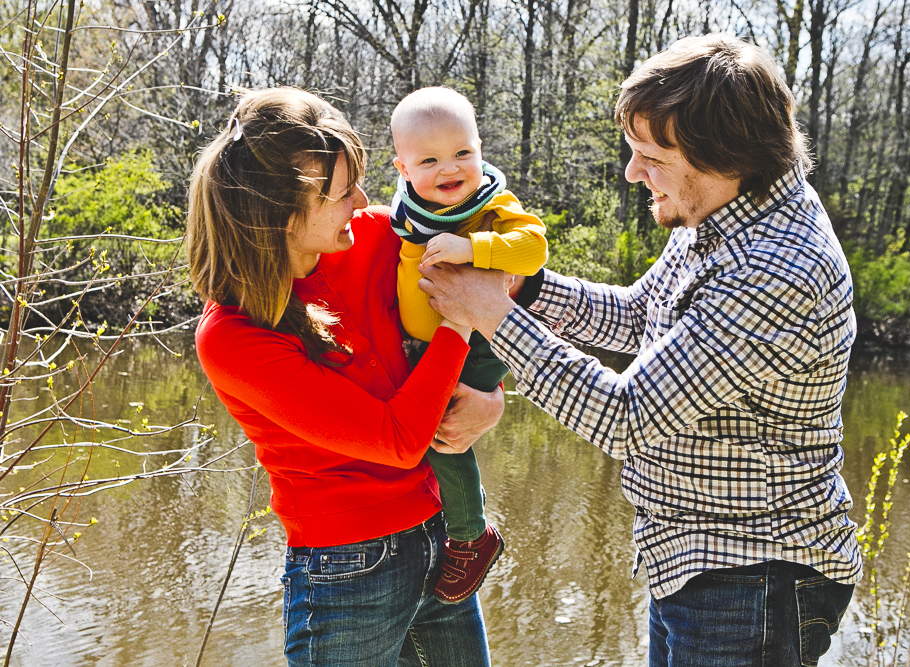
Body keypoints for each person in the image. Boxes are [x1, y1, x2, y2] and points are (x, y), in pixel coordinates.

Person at [419, 34, 861, 666]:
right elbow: (638, 316)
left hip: (754, 577)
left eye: (649, 155)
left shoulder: (778, 266)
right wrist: (527, 286)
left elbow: (629, 417)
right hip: (703, 564)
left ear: (721, 156)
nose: (632, 172)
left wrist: (490, 313)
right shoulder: (724, 211)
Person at [187, 87, 502, 667]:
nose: (362, 199)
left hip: (444, 538)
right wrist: (461, 319)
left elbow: (493, 295)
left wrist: (493, 399)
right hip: (349, 569)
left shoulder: (377, 236)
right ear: (280, 214)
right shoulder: (232, 335)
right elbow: (401, 439)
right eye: (340, 192)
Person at [389, 86, 548, 604]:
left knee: (442, 428)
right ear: (403, 169)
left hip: (480, 338)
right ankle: (454, 520)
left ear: (480, 148)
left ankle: (470, 535)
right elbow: (409, 293)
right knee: (422, 426)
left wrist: (473, 246)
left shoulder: (493, 204)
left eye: (463, 153)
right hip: (430, 340)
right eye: (429, 159)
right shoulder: (407, 213)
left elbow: (534, 250)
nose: (450, 169)